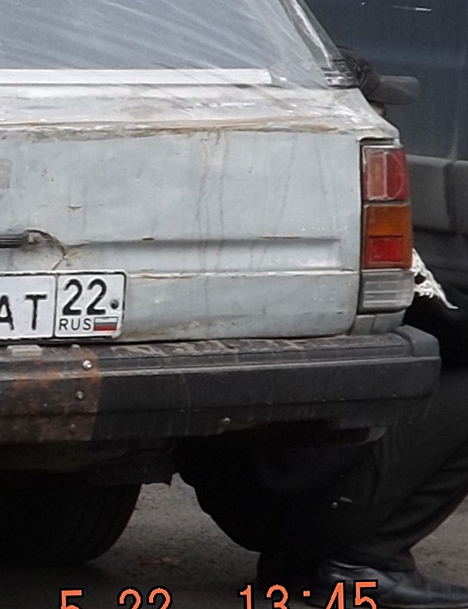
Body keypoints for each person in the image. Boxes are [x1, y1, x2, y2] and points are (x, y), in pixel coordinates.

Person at [180, 50, 468, 609]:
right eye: (380, 110)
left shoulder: (238, 209)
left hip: (245, 485)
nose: (393, 125)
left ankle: (303, 560)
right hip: (298, 491)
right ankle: (364, 562)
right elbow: (445, 325)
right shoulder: (352, 224)